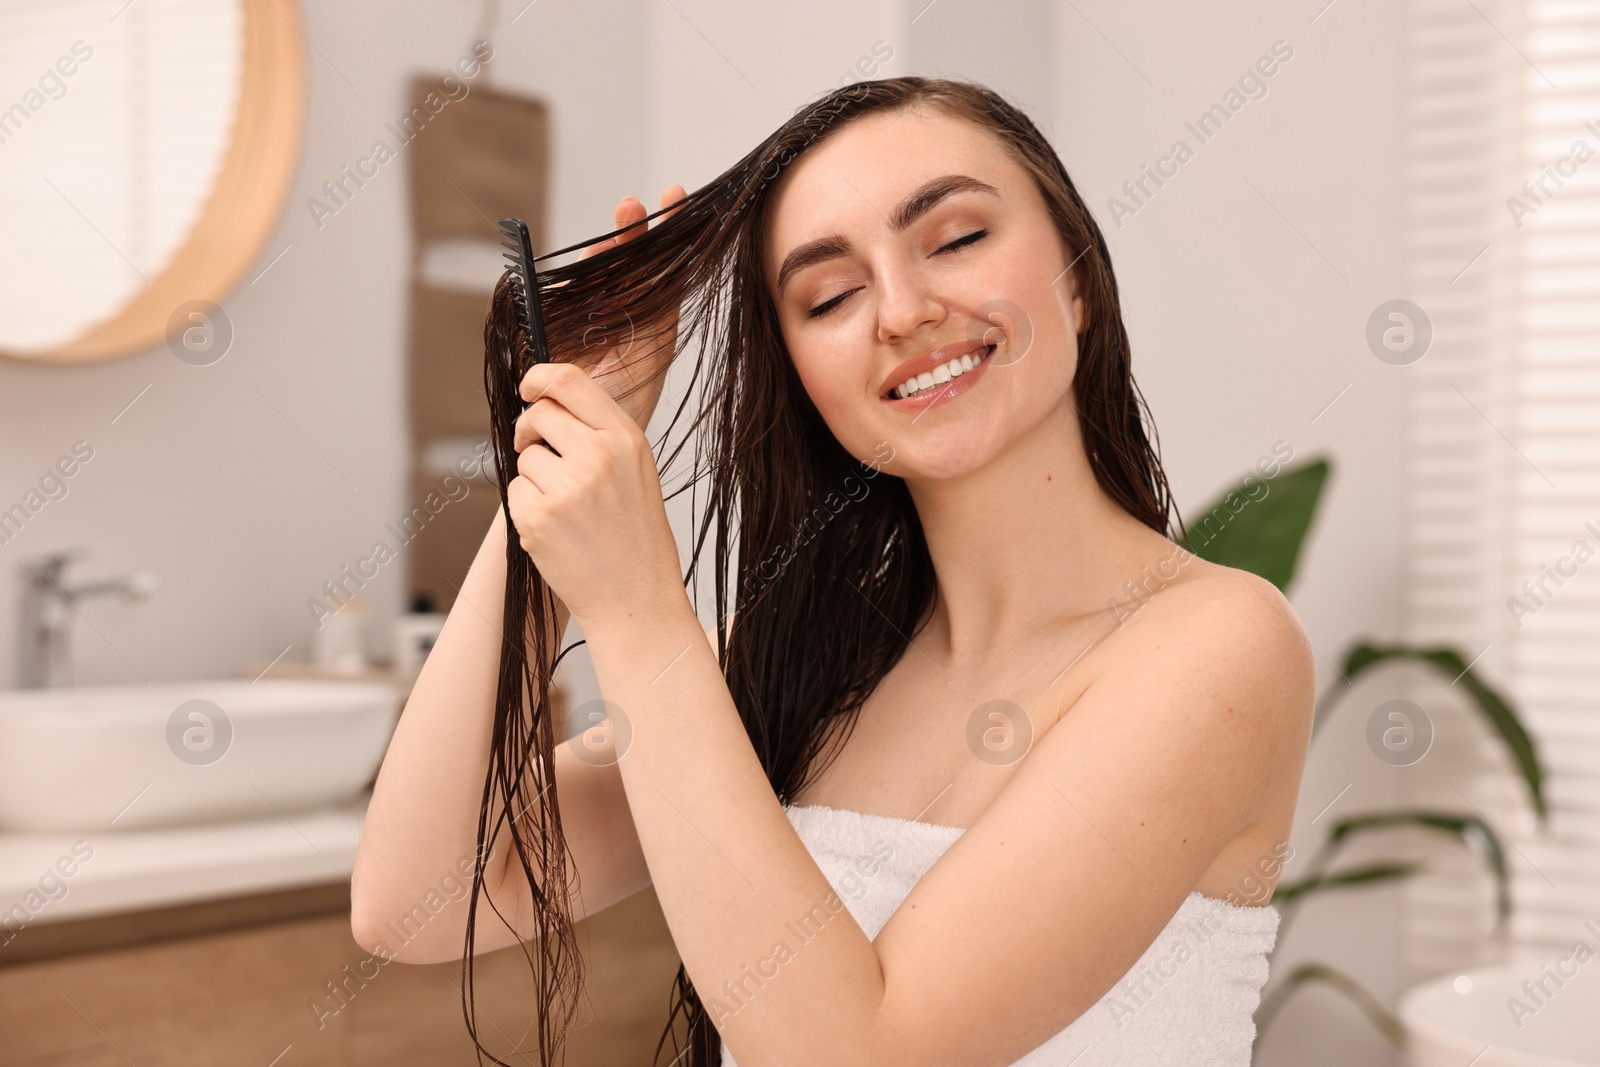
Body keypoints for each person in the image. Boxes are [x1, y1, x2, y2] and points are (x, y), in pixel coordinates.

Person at [352, 76, 1316, 1067]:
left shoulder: (1217, 647)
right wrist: (567, 463)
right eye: (831, 295)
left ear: (1076, 275)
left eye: (954, 239)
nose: (901, 310)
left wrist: (637, 605)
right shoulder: (804, 661)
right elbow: (418, 897)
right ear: (806, 378)